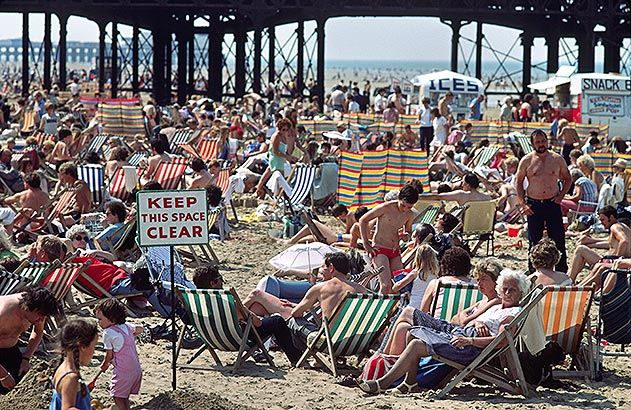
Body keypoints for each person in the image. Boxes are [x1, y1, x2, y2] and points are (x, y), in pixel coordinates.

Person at [358, 269, 529, 395]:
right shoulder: (498, 306)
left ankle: (382, 383)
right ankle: (409, 383)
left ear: (521, 293)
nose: (506, 293)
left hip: (469, 347)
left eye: (512, 290)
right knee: (412, 331)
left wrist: (469, 341)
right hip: (460, 332)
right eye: (505, 289)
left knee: (416, 341)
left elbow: (500, 341)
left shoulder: (511, 314)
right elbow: (467, 318)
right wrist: (477, 322)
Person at [515, 129, 572, 272]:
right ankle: (533, 271)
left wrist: (560, 197)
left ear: (547, 141)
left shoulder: (557, 159)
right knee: (534, 240)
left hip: (552, 203)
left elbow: (568, 178)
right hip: (534, 203)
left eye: (543, 141)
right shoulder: (527, 160)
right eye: (538, 142)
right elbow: (518, 182)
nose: (541, 144)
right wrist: (523, 204)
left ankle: (561, 271)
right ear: (533, 144)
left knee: (558, 238)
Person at [359, 184, 420, 294]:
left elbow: (408, 232)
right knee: (386, 285)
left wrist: (405, 236)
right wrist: (365, 243)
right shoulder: (386, 208)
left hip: (395, 250)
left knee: (398, 285)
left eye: (409, 207)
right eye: (403, 205)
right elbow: (363, 220)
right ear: (399, 199)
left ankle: (390, 311)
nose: (405, 209)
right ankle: (379, 311)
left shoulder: (409, 215)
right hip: (379, 248)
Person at [0, 286, 60, 394]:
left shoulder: (38, 311)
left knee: (20, 383)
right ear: (29, 308)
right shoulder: (4, 312)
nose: (42, 320)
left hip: (11, 349)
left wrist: (26, 358)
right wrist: (3, 376)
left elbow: (38, 331)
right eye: (41, 316)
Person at [95, 299, 143, 410]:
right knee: (124, 396)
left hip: (123, 371)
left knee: (117, 396)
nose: (99, 322)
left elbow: (109, 355)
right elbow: (140, 328)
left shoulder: (108, 333)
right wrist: (133, 333)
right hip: (136, 370)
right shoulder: (127, 327)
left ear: (112, 318)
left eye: (100, 319)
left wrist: (104, 364)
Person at [569, 205, 631, 281]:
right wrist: (590, 242)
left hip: (613, 263)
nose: (601, 223)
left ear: (611, 217)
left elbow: (624, 241)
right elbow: (610, 243)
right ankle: (571, 280)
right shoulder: (623, 226)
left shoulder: (614, 227)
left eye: (603, 220)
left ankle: (571, 280)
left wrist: (617, 259)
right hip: (616, 262)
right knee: (582, 249)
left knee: (580, 249)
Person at [49, 319, 99, 410]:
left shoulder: (63, 367)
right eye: (94, 346)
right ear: (83, 346)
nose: (94, 352)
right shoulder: (71, 377)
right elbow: (67, 408)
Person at [391, 244, 439, 309]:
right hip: (428, 309)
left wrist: (395, 286)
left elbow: (397, 286)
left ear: (418, 258)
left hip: (413, 307)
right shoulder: (435, 276)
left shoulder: (415, 273)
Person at [422, 172, 491, 205]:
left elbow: (439, 196)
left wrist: (419, 197)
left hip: (465, 227)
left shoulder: (461, 195)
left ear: (468, 185)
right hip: (483, 227)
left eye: (463, 182)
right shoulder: (487, 197)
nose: (461, 184)